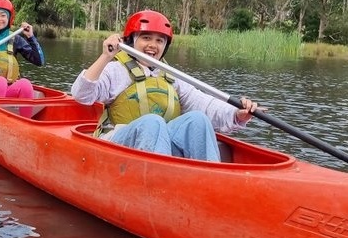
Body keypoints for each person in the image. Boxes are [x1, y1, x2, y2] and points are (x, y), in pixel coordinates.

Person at [70, 9, 259, 162]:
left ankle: (212, 183)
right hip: (116, 145)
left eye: (159, 40)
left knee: (197, 119)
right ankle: (157, 185)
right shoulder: (115, 70)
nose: (153, 45)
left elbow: (204, 103)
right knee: (153, 122)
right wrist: (105, 56)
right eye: (146, 38)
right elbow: (81, 95)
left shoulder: (171, 77)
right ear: (131, 41)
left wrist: (237, 113)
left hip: (156, 147)